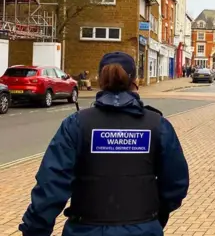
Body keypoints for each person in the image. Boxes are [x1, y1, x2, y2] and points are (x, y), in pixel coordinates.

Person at [19, 51, 190, 236]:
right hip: (143, 229)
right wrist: (155, 216)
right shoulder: (158, 126)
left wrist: (34, 229)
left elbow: (51, 185)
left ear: (101, 80)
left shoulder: (76, 124)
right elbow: (176, 183)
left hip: (85, 229)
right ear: (136, 81)